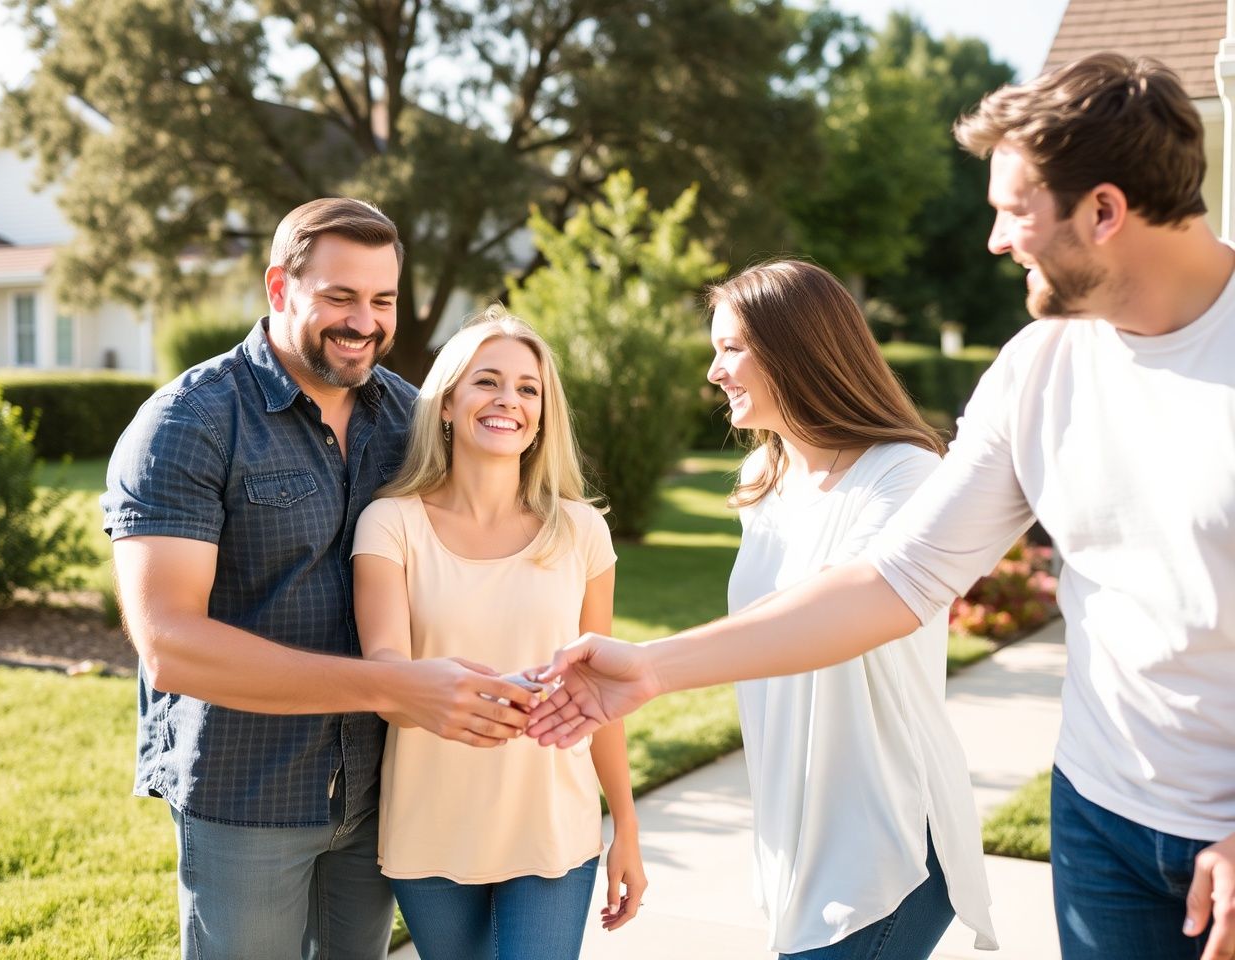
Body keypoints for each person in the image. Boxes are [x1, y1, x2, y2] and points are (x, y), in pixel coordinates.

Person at [528, 52, 1235, 960]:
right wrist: (654, 667)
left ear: (1103, 211)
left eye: (1014, 211)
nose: (995, 239)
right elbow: (894, 580)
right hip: (1100, 813)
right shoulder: (1039, 369)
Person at [101, 198, 541, 960]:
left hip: (379, 795)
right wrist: (391, 688)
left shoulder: (410, 419)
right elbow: (170, 643)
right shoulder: (188, 424)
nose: (364, 322)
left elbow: (495, 528)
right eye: (339, 297)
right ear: (279, 289)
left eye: (382, 300)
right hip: (247, 794)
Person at [693, 260, 996, 958]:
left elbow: (837, 608)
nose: (714, 372)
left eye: (730, 348)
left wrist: (652, 668)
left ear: (795, 347)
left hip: (887, 838)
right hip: (799, 831)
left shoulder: (904, 474)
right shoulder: (761, 480)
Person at [351, 307, 646, 960]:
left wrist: (625, 824)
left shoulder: (581, 532)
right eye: (487, 381)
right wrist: (472, 695)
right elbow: (386, 677)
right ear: (448, 403)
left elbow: (602, 695)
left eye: (527, 388)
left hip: (551, 828)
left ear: (543, 414)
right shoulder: (390, 525)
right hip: (431, 827)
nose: (508, 400)